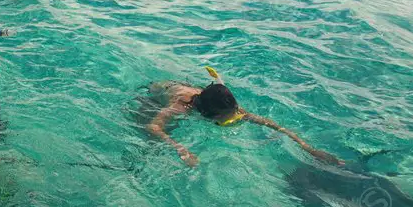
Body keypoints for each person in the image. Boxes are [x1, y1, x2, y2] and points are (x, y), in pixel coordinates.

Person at [144, 74, 344, 167]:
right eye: (227, 120)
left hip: (199, 95)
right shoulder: (180, 107)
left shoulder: (229, 106)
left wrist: (308, 148)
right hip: (155, 93)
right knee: (149, 140)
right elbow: (152, 126)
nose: (236, 118)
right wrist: (182, 150)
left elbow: (268, 123)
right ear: (210, 115)